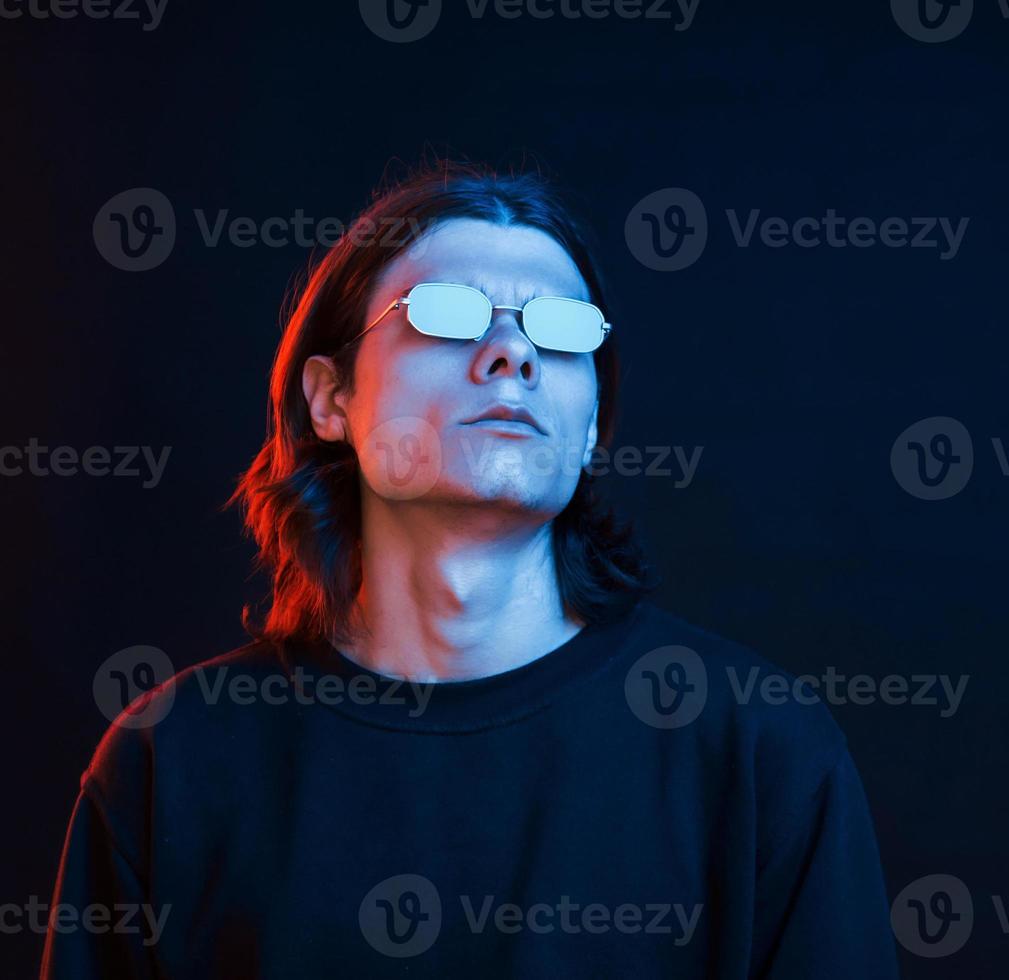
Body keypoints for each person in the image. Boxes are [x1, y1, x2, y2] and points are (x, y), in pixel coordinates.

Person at [42, 162, 900, 977]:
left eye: (560, 331)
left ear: (593, 421)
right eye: (448, 314)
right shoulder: (176, 762)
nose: (512, 356)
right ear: (332, 398)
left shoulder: (757, 752)